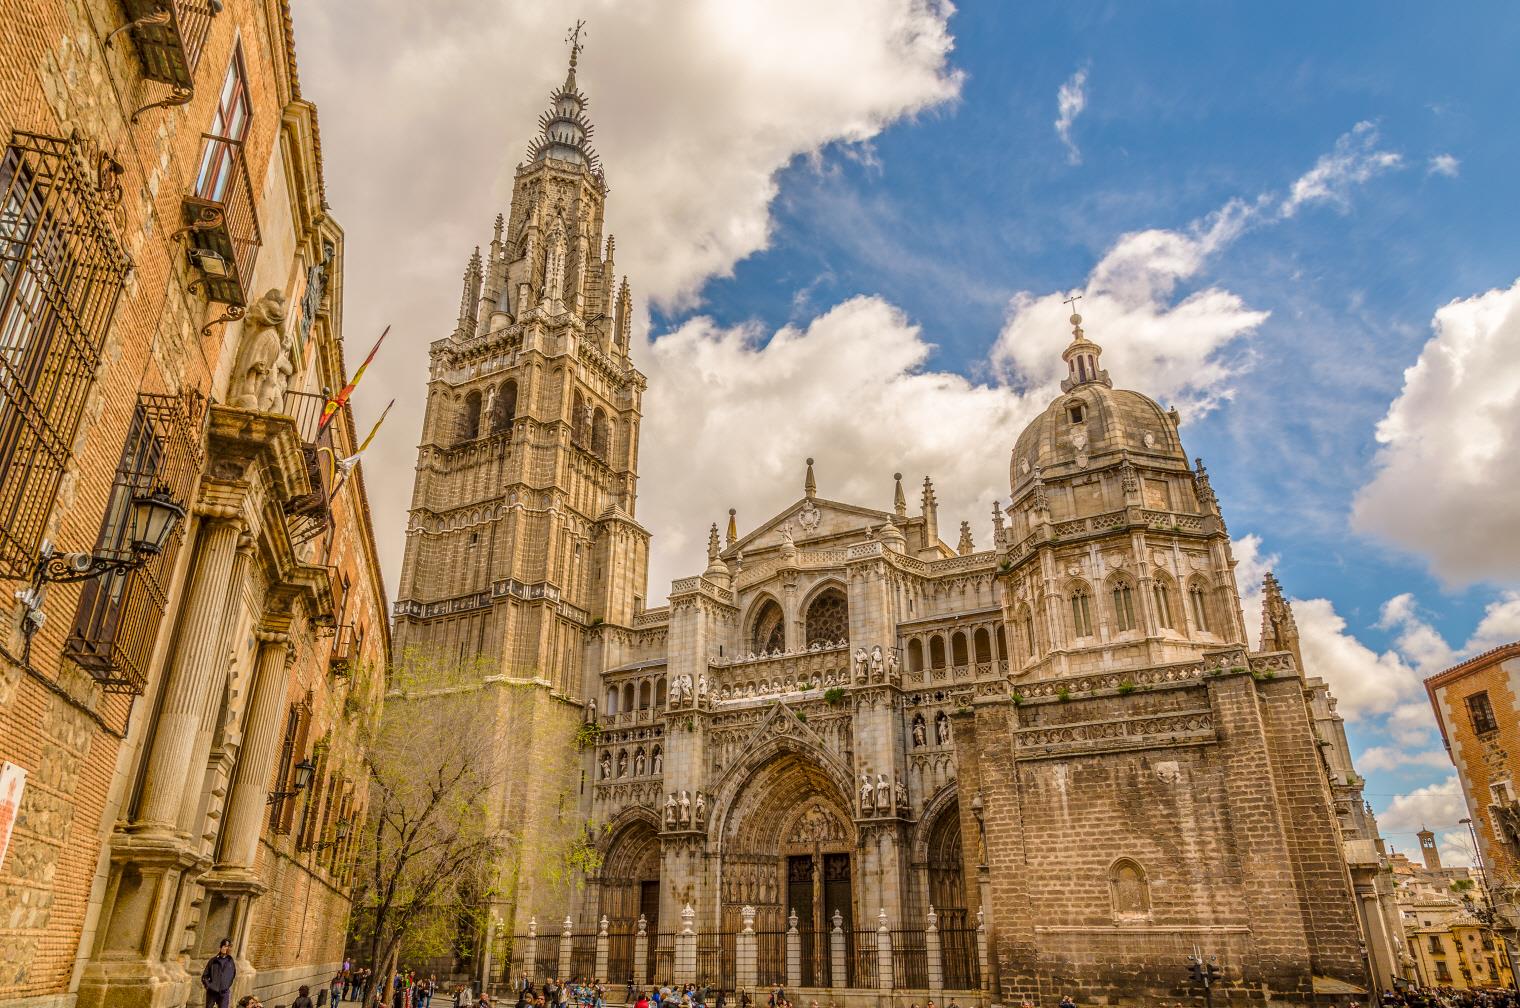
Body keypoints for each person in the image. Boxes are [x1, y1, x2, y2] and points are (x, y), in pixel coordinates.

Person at [202, 938, 237, 1008]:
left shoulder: (231, 962)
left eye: (228, 947)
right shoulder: (213, 961)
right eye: (224, 946)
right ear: (221, 947)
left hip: (224, 993)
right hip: (212, 992)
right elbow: (205, 976)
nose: (226, 948)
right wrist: (209, 986)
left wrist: (226, 986)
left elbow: (233, 975)